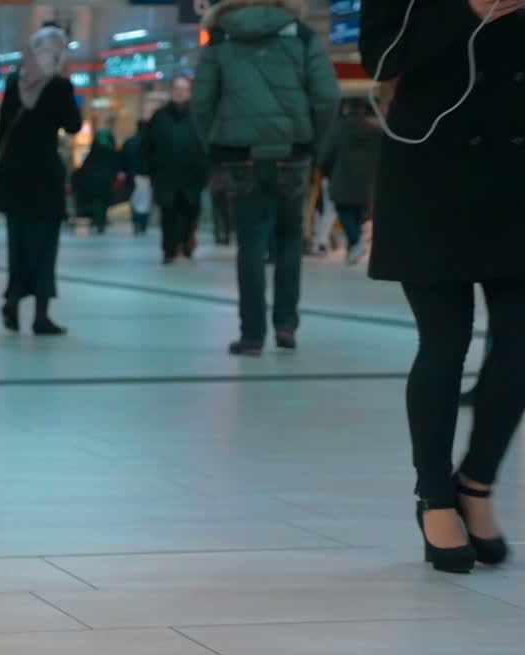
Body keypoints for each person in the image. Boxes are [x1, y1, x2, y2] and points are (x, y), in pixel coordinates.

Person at [361, 0, 523, 573]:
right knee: (444, 341)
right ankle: (434, 496)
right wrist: (467, 10)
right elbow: (381, 57)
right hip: (429, 174)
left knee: (519, 346)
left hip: (515, 175)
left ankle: (475, 483)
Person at [193, 0, 339, 356]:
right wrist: (314, 144)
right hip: (292, 154)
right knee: (290, 241)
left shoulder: (221, 36)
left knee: (251, 246)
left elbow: (202, 101)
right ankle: (286, 326)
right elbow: (327, 96)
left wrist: (215, 145)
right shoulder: (301, 34)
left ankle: (252, 335)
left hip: (241, 156)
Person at [0, 26, 82, 336]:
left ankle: (12, 301)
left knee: (18, 245)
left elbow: (3, 130)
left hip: (14, 179)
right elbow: (74, 125)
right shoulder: (59, 86)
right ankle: (41, 315)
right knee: (44, 247)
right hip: (45, 179)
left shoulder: (14, 83)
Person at [145, 77, 209, 264]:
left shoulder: (198, 117)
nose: (180, 93)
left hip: (192, 176)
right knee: (168, 214)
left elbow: (205, 146)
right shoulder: (159, 117)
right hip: (166, 175)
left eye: (184, 89)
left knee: (190, 212)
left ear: (189, 92)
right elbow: (148, 145)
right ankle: (169, 249)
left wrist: (204, 170)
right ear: (171, 91)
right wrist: (150, 170)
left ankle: (186, 244)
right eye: (177, 89)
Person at [319, 98, 381, 266]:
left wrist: (325, 170)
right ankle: (353, 247)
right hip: (367, 181)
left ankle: (355, 242)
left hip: (343, 177)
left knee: (344, 211)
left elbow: (327, 153)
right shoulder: (376, 130)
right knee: (359, 214)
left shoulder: (339, 128)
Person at [73, 124, 119, 234]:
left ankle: (97, 220)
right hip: (104, 182)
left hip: (94, 182)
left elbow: (85, 167)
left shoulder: (94, 151)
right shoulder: (111, 152)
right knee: (102, 203)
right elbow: (115, 167)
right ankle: (100, 221)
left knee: (97, 202)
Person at [120, 119, 151, 235]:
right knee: (145, 200)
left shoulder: (129, 142)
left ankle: (136, 222)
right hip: (147, 176)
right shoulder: (150, 142)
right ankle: (142, 223)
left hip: (132, 175)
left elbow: (123, 159)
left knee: (134, 200)